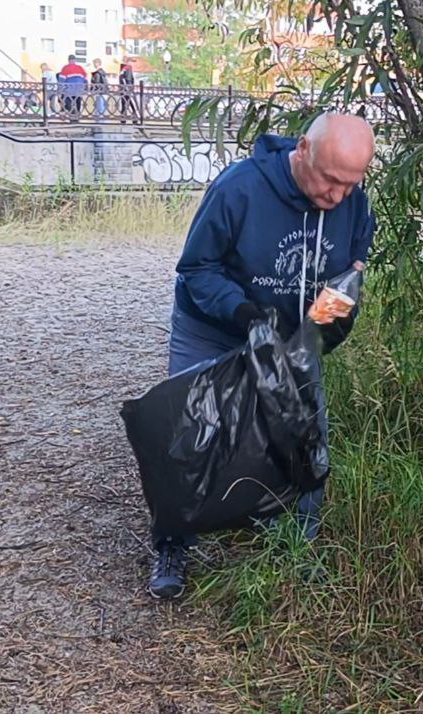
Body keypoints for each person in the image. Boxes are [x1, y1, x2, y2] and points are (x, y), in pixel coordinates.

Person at [148, 113, 378, 600]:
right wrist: (244, 313)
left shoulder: (354, 204)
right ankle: (173, 546)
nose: (339, 195)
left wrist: (330, 328)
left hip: (291, 334)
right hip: (213, 326)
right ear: (303, 150)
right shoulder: (239, 189)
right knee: (192, 434)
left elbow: (345, 278)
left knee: (305, 437)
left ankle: (295, 547)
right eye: (331, 180)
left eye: (351, 184)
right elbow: (196, 267)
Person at [58, 54, 87, 120]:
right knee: (78, 102)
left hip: (69, 89)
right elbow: (85, 79)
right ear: (75, 60)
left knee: (68, 102)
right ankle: (77, 116)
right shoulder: (80, 68)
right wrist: (85, 88)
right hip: (79, 89)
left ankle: (72, 115)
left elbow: (61, 80)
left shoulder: (65, 68)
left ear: (69, 60)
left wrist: (60, 89)